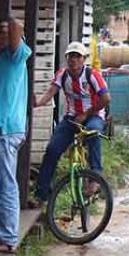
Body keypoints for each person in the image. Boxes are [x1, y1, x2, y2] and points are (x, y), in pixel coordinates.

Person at [31, 42, 110, 206]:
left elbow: (106, 98)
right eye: (70, 56)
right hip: (72, 118)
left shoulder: (92, 75)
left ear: (83, 59)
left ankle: (95, 176)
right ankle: (41, 194)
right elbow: (50, 92)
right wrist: (37, 103)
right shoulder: (62, 75)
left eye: (77, 56)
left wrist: (86, 114)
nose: (73, 60)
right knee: (52, 149)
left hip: (93, 115)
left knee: (93, 131)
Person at [0, 17, 32, 253]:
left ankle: (8, 235)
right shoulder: (2, 59)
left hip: (7, 131)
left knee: (5, 185)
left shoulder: (18, 54)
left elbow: (16, 26)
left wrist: (6, 23)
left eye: (3, 32)